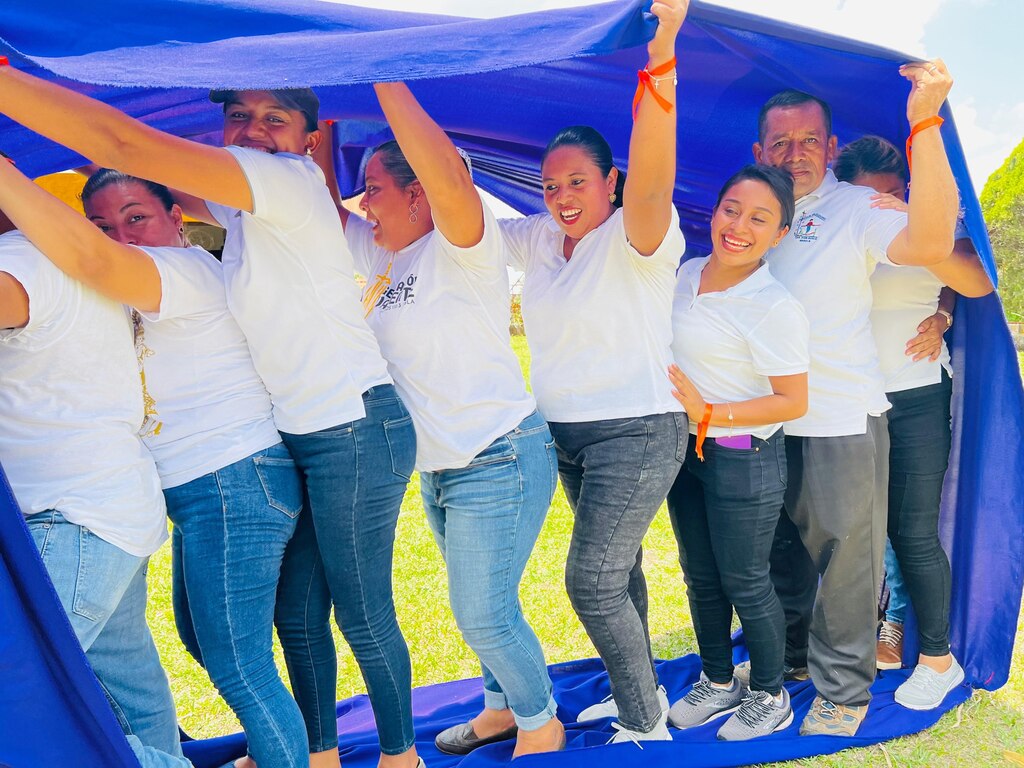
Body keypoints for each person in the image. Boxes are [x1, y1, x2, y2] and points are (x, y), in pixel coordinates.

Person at [0, 66, 420, 768]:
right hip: (282, 447)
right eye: (238, 116)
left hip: (324, 438)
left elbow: (107, 216)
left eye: (274, 117)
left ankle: (389, 756)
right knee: (250, 631)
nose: (253, 130)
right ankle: (301, 752)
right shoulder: (241, 216)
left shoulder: (243, 223)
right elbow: (145, 183)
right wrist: (81, 168)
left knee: (338, 620)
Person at [1, 158, 312, 766]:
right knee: (177, 665)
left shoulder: (177, 269)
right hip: (164, 495)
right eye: (103, 224)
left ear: (175, 217)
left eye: (135, 217)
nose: (120, 234)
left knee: (236, 663)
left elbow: (89, 260)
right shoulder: (117, 280)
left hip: (228, 478)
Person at [322, 81, 564, 757]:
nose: (363, 201)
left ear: (418, 192)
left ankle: (541, 720)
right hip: (439, 469)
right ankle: (499, 709)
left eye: (373, 187)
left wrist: (384, 76)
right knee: (486, 606)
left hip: (498, 457)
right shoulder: (384, 255)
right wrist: (319, 122)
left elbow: (450, 176)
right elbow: (314, 209)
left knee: (483, 611)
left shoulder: (463, 245)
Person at [748, 61, 960, 736]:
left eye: (808, 140)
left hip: (840, 416)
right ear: (760, 153)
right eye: (780, 143)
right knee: (777, 551)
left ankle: (843, 688)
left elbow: (929, 243)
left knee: (847, 560)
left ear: (830, 148)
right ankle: (785, 667)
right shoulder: (754, 214)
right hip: (766, 419)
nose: (794, 154)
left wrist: (924, 119)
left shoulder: (855, 208)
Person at [499, 0, 689, 744]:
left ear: (608, 181)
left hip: (637, 433)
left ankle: (647, 723)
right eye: (549, 186)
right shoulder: (543, 238)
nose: (562, 197)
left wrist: (663, 53)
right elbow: (462, 221)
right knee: (624, 572)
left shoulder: (639, 232)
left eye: (576, 182)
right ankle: (629, 689)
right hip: (567, 436)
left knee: (592, 581)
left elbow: (653, 174)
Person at [0, 156, 193, 768]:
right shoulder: (82, 266)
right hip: (108, 512)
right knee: (127, 687)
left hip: (72, 520)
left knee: (29, 694)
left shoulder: (25, 262)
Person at [833, 135, 993, 709]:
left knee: (913, 532)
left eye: (888, 196)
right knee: (848, 531)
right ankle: (863, 631)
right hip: (848, 399)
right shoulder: (832, 232)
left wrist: (945, 310)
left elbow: (970, 274)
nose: (874, 209)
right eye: (862, 199)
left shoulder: (921, 229)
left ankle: (936, 658)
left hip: (918, 395)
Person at [664, 165, 809, 741]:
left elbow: (792, 401)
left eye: (759, 218)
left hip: (743, 453)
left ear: (778, 234)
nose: (739, 226)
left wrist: (711, 413)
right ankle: (720, 680)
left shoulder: (773, 305)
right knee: (700, 576)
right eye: (731, 209)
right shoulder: (686, 273)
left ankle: (771, 694)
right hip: (686, 453)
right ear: (713, 210)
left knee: (746, 579)